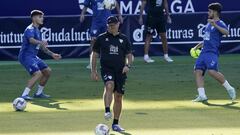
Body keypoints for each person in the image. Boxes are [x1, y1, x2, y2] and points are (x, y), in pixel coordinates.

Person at [91, 16, 132, 132]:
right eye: (109, 25)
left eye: (113, 25)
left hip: (120, 71)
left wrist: (127, 65)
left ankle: (115, 124)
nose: (111, 27)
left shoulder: (124, 39)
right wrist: (93, 71)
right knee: (109, 85)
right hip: (106, 68)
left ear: (118, 24)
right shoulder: (101, 38)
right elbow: (94, 55)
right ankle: (107, 110)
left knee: (118, 97)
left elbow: (129, 55)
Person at [192, 3, 236, 102]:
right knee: (197, 71)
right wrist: (197, 46)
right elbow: (207, 39)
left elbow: (227, 33)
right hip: (203, 53)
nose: (208, 13)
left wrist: (215, 24)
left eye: (210, 11)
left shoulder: (220, 23)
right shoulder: (208, 24)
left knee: (212, 72)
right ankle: (202, 95)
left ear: (215, 12)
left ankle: (230, 88)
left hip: (212, 52)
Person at [18, 10, 62, 100]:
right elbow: (31, 40)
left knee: (47, 71)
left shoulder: (38, 31)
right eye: (40, 17)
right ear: (34, 18)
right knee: (38, 74)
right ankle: (24, 95)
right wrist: (41, 42)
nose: (42, 19)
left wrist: (53, 54)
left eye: (42, 17)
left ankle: (39, 93)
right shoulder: (29, 29)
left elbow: (42, 47)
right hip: (25, 56)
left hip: (33, 56)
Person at [80, 0, 123, 69]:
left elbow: (115, 3)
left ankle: (109, 62)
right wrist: (82, 14)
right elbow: (85, 5)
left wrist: (119, 15)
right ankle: (91, 63)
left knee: (110, 42)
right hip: (96, 23)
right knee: (93, 41)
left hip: (107, 22)